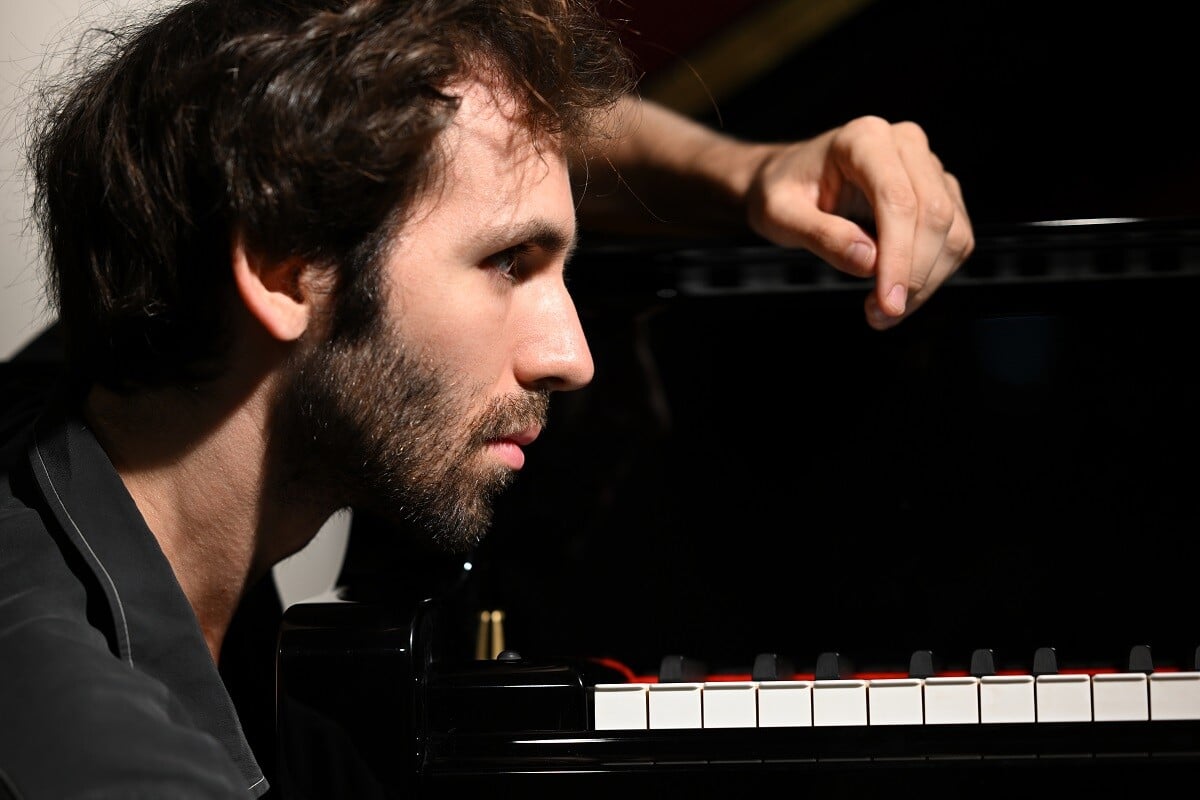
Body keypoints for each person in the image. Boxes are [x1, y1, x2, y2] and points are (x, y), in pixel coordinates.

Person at [0, 0, 973, 797]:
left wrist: (747, 172)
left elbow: (472, 152)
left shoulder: (106, 423)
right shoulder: (93, 747)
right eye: (511, 262)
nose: (573, 358)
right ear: (286, 266)